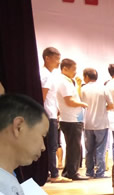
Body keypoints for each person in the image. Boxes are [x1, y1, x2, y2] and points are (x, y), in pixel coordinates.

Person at [56, 58, 88, 180]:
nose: (75, 72)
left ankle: (69, 171)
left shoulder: (68, 81)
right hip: (71, 119)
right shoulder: (63, 82)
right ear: (65, 69)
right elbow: (69, 101)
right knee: (74, 147)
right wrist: (83, 104)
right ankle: (72, 173)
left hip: (73, 119)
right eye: (73, 69)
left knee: (73, 147)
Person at [40, 46, 69, 182]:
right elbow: (42, 96)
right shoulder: (46, 75)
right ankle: (54, 174)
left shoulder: (47, 74)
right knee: (52, 145)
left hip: (50, 113)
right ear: (47, 58)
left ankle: (48, 173)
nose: (59, 62)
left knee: (50, 145)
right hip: (48, 114)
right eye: (56, 59)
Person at [80, 68, 113, 178]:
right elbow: (111, 105)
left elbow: (80, 104)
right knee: (100, 149)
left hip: (88, 123)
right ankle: (100, 172)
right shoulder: (103, 88)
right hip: (102, 123)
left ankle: (89, 172)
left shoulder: (83, 89)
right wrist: (103, 109)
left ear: (86, 77)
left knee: (89, 150)